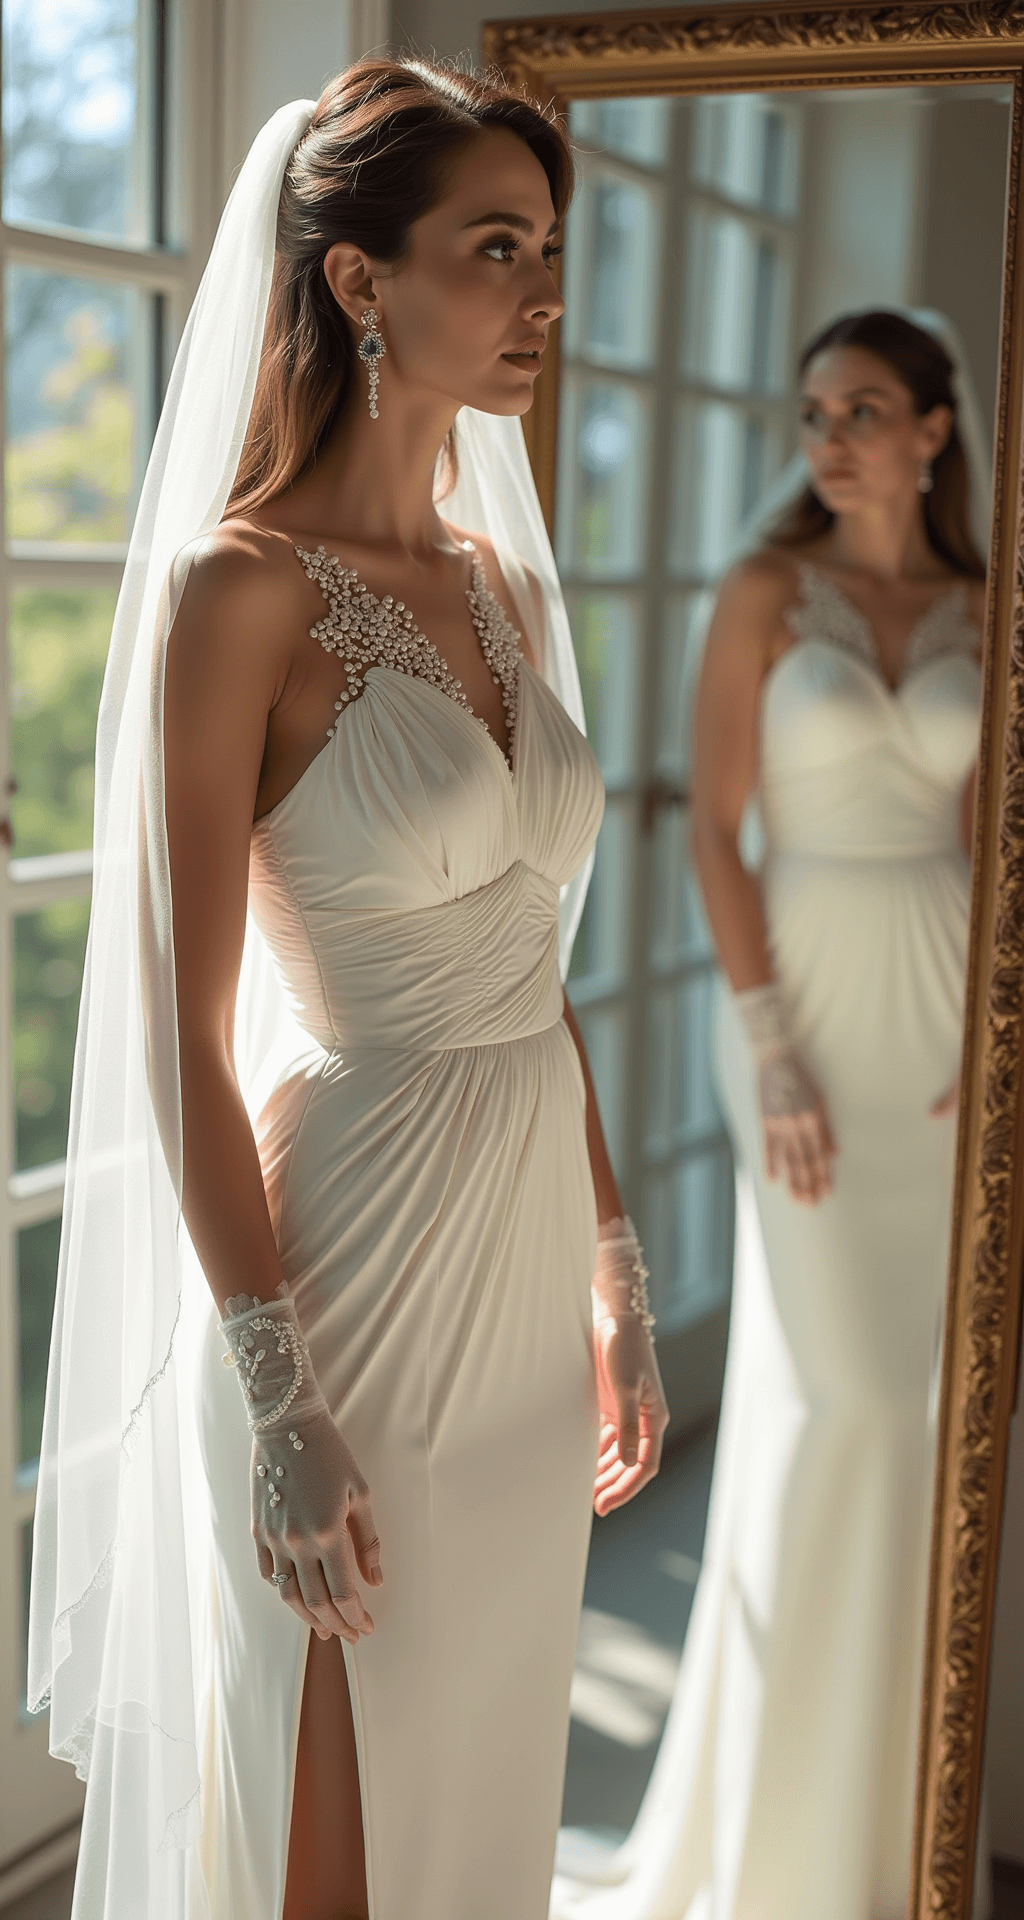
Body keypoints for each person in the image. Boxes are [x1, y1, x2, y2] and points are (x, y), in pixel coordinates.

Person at [28, 58, 668, 1920]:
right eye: (494, 249)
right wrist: (282, 1398)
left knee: (479, 1776)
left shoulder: (501, 587)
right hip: (353, 1270)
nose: (541, 297)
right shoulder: (242, 595)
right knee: (337, 1806)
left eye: (549, 250)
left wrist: (612, 1274)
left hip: (524, 1235)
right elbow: (180, 1037)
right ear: (359, 279)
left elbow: (528, 976)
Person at [551, 309, 986, 1920]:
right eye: (814, 413)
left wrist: (998, 1023)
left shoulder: (983, 605)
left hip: (946, 1007)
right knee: (844, 1398)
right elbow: (715, 833)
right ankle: (775, 1853)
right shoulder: (757, 595)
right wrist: (769, 1038)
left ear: (936, 431)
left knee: (925, 1411)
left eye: (865, 411)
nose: (832, 440)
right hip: (796, 1005)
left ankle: (892, 1825)